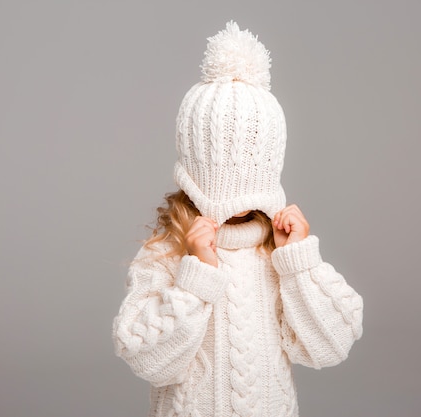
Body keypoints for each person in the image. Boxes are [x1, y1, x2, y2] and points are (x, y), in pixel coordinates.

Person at [112, 21, 363, 417]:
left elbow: (330, 346)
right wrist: (197, 278)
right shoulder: (167, 251)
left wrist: (299, 265)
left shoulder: (277, 254)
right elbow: (146, 359)